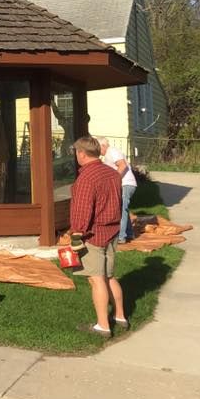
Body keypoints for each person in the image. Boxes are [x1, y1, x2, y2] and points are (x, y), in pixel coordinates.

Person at [69, 135, 128, 338]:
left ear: (82, 154)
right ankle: (120, 316)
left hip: (93, 235)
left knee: (96, 280)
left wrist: (76, 233)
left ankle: (103, 325)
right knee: (110, 276)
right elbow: (119, 203)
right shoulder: (112, 173)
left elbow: (82, 210)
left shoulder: (86, 178)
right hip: (112, 231)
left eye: (76, 152)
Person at [96, 136, 138, 244]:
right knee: (123, 208)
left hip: (126, 184)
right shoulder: (108, 155)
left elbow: (122, 165)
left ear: (103, 146)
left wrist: (113, 180)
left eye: (97, 147)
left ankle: (121, 237)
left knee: (121, 209)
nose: (96, 150)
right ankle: (129, 234)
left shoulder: (112, 151)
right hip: (124, 184)